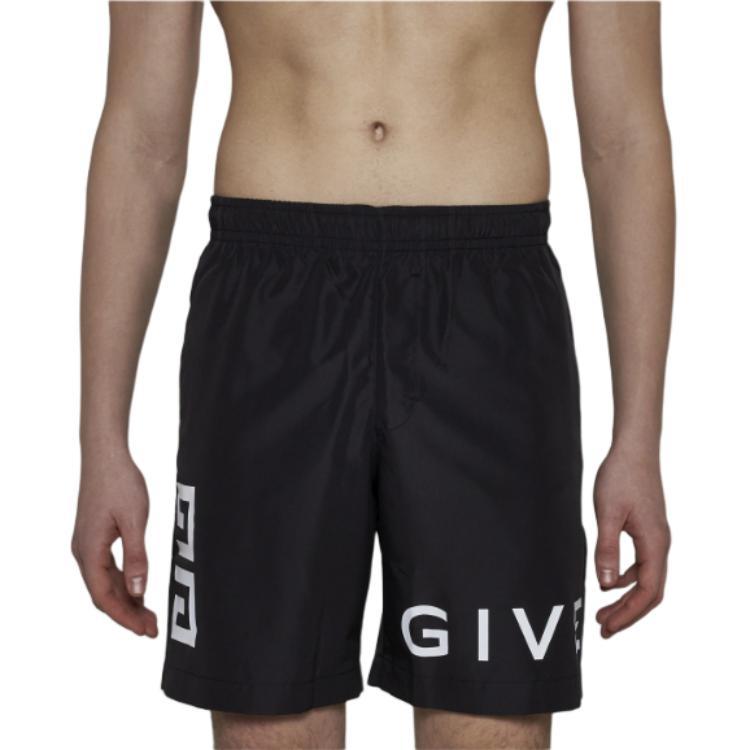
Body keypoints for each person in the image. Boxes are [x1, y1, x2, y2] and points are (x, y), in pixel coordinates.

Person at [71, 2, 674, 748]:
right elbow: (142, 138)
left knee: (491, 718)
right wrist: (102, 442)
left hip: (490, 314)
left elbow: (625, 140)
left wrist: (638, 439)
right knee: (270, 719)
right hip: (270, 307)